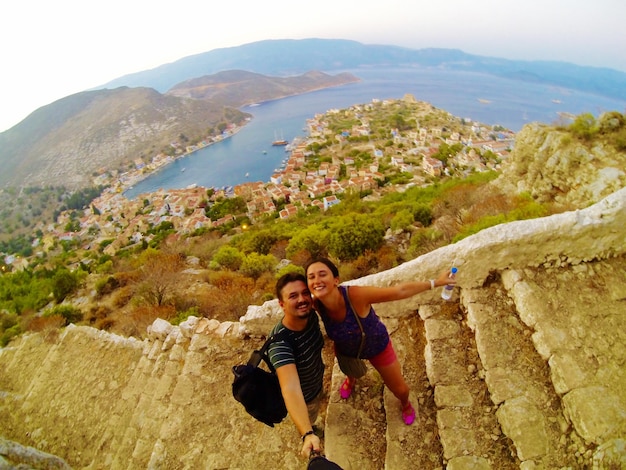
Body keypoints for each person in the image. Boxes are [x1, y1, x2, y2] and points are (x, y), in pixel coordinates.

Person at [305, 258, 456, 425]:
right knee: (351, 370)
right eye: (311, 277)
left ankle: (405, 404)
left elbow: (399, 291)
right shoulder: (316, 304)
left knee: (400, 389)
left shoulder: (355, 296)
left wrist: (437, 282)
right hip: (346, 349)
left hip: (377, 346)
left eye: (322, 274)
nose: (316, 280)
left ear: (336, 280)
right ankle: (351, 379)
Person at [268, 272, 326, 457]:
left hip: (317, 379)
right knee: (311, 415)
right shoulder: (280, 345)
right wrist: (307, 434)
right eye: (293, 296)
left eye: (305, 293)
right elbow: (290, 388)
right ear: (281, 304)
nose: (302, 299)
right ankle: (311, 428)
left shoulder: (310, 316)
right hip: (306, 396)